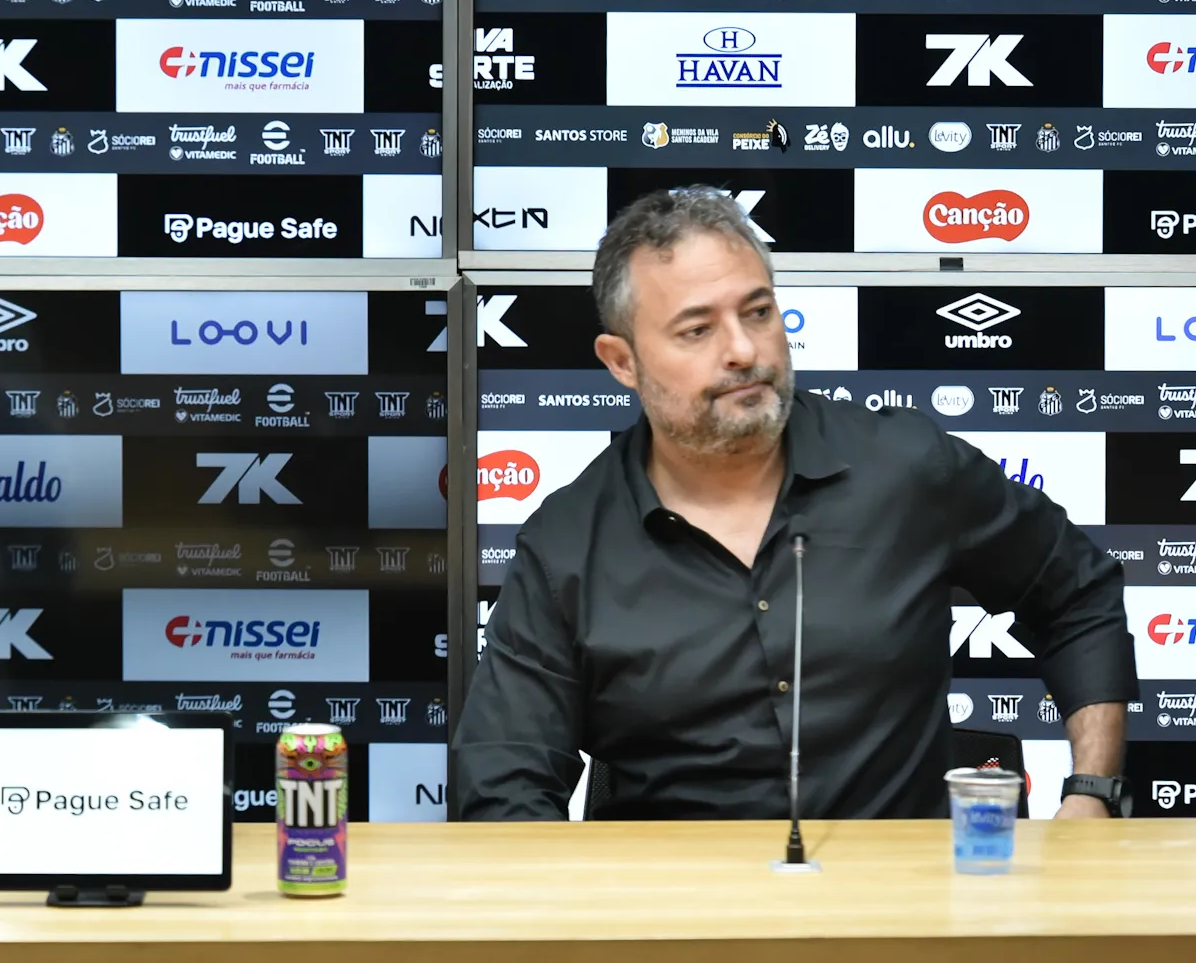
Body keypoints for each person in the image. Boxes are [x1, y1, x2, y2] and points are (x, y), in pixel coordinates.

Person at [454, 187, 1137, 821]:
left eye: (758, 312)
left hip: (905, 921)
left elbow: (1076, 593)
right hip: (677, 926)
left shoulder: (905, 468)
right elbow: (502, 785)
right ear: (622, 361)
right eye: (697, 330)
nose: (744, 350)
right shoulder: (567, 545)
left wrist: (1093, 791)